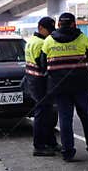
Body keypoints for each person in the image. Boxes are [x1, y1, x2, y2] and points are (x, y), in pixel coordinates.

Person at [41, 12, 88, 162]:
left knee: (65, 119)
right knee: (87, 117)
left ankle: (68, 153)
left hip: (60, 87)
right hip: (81, 84)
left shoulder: (49, 40)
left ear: (59, 25)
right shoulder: (82, 38)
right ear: (74, 24)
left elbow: (43, 64)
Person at [24, 16, 60, 156]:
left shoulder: (31, 41)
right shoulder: (41, 44)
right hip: (40, 82)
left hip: (32, 81)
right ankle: (39, 146)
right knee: (42, 114)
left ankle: (51, 143)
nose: (51, 33)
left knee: (47, 114)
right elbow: (44, 65)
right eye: (48, 30)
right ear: (40, 28)